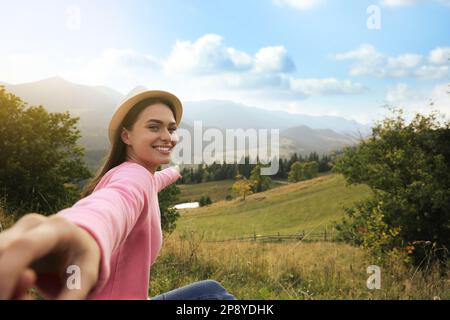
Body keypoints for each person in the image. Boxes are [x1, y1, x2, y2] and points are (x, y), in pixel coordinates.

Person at [0, 89, 236, 300]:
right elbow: (114, 203)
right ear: (127, 136)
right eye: (154, 127)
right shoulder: (134, 177)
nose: (167, 136)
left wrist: (177, 171)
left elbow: (156, 180)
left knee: (212, 290)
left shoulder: (143, 176)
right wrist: (83, 230)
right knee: (219, 299)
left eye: (171, 128)